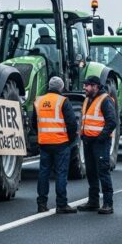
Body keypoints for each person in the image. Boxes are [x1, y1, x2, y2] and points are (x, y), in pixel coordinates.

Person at [33, 76, 79, 214]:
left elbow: (34, 123)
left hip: (44, 143)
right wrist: (70, 140)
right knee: (61, 174)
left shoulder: (39, 101)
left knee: (43, 173)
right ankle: (61, 204)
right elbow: (72, 124)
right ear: (61, 88)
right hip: (61, 143)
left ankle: (41, 204)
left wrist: (42, 135)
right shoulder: (63, 101)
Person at [77, 76, 118, 215]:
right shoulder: (87, 99)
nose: (85, 88)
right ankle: (93, 201)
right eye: (85, 85)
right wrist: (83, 135)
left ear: (95, 86)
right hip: (88, 141)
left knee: (103, 171)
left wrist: (101, 137)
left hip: (100, 142)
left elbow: (112, 122)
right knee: (91, 172)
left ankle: (108, 203)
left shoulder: (105, 100)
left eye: (87, 85)